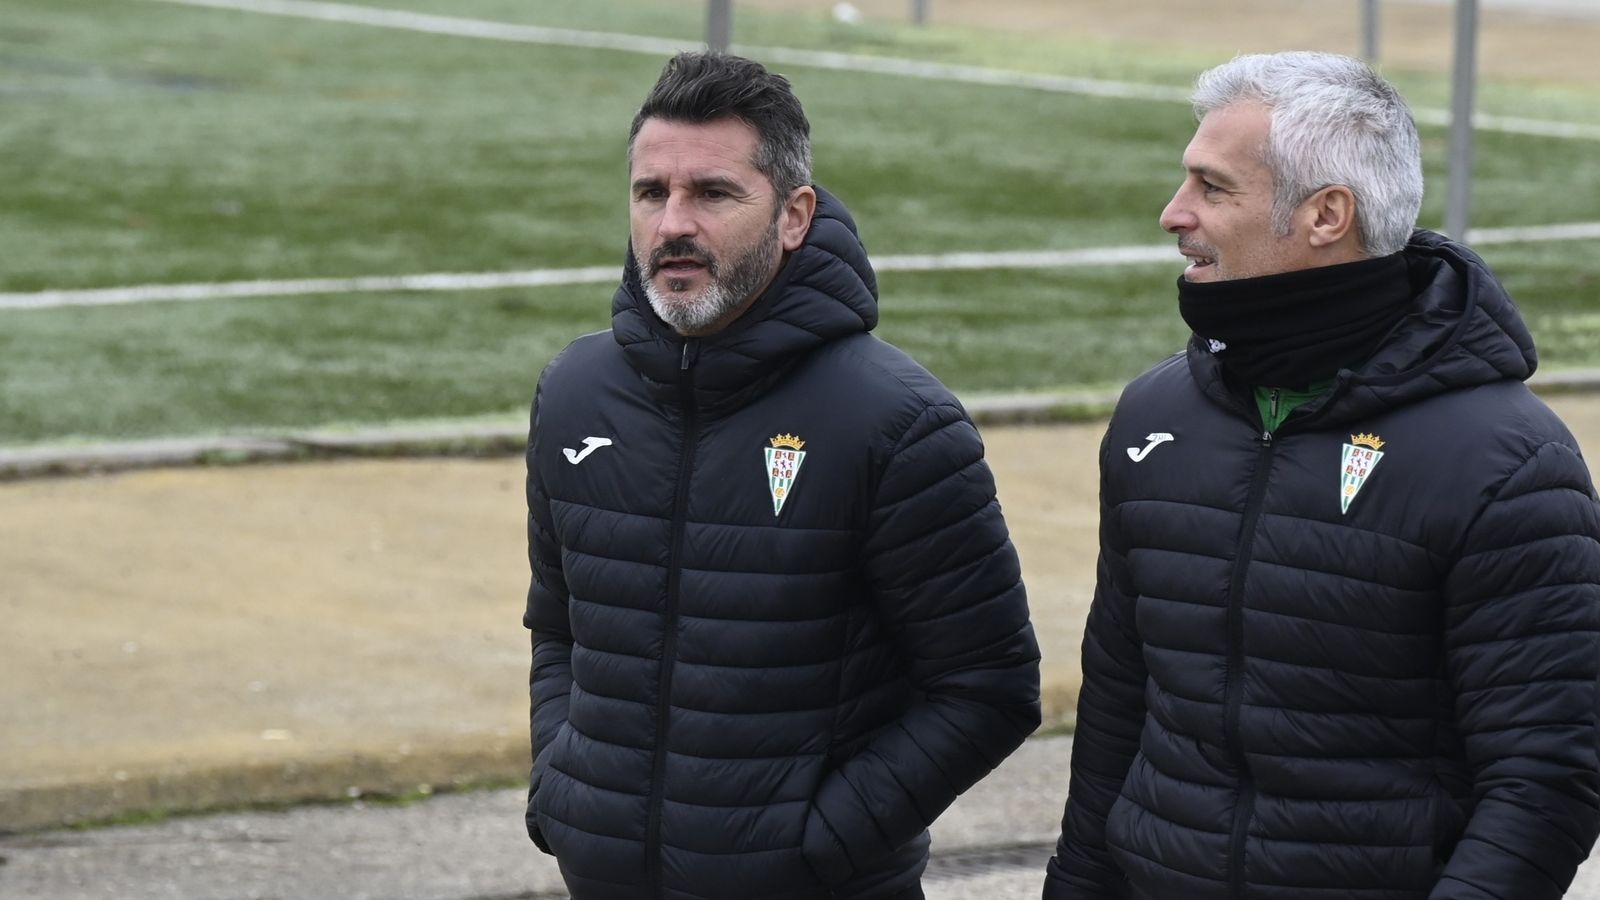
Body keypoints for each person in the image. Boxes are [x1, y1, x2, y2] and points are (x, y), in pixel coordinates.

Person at [1044, 51, 1600, 900]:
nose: (1173, 213)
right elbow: (1120, 706)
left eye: (1213, 187)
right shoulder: (1156, 417)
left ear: (1325, 214)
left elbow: (1545, 779)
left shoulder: (1508, 463)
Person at [523, 52, 1041, 900]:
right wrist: (565, 790)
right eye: (651, 193)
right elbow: (559, 628)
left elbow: (989, 688)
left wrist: (811, 848)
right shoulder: (575, 393)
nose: (672, 224)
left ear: (795, 214)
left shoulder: (897, 421)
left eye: (713, 193)